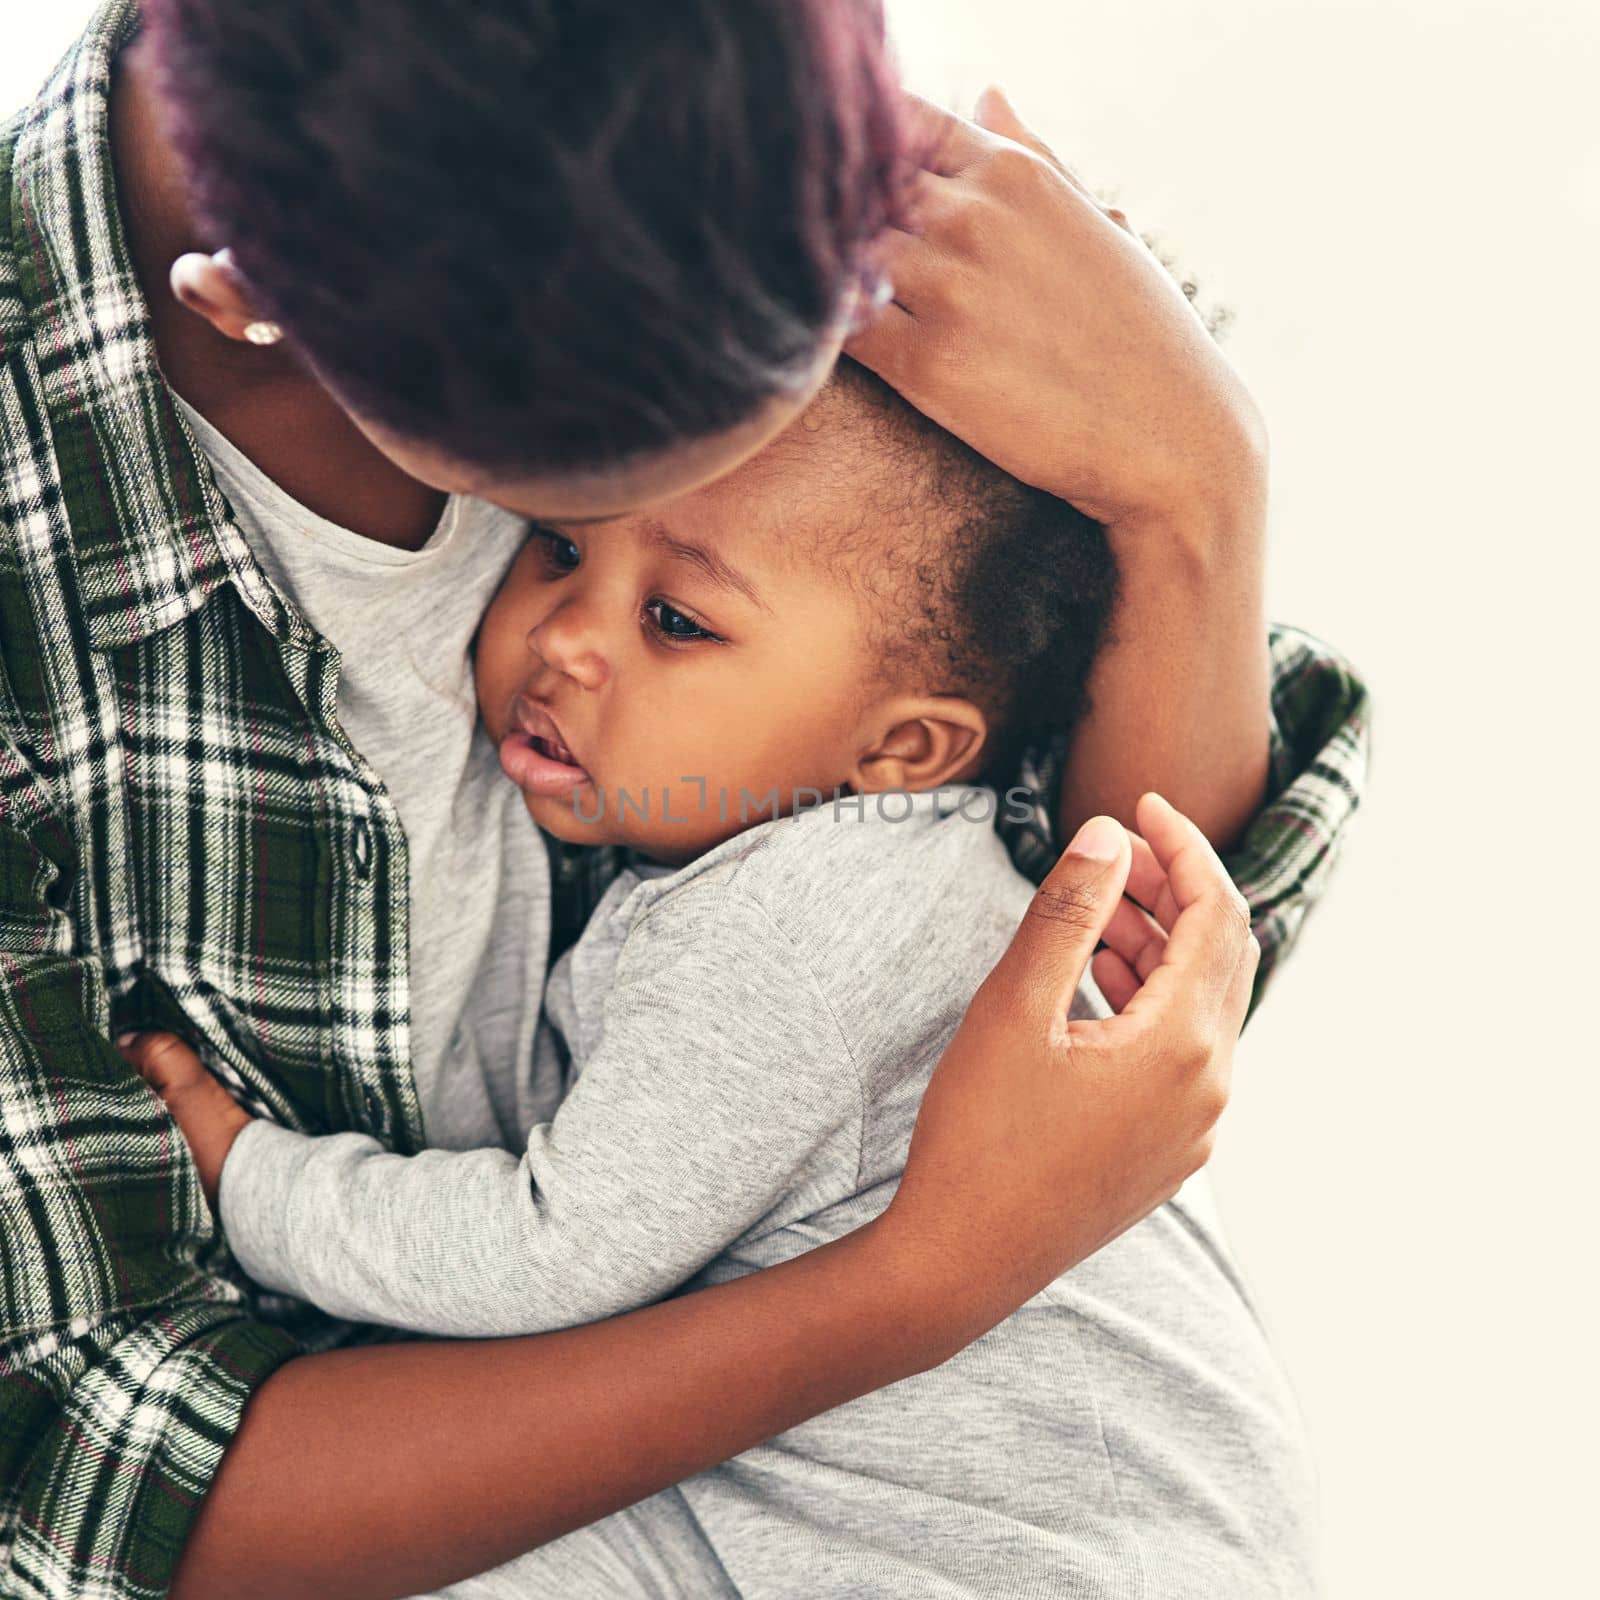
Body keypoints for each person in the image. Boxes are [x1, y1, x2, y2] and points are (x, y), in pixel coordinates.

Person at [0, 2, 1367, 1597]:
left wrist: (1187, 480)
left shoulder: (744, 169)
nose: (569, 632)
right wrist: (916, 1282)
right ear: (263, 294)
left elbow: (1117, 938)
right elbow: (94, 1488)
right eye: (570, 525)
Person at [134, 360, 1319, 1597]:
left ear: (901, 748)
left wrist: (249, 1175)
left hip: (1027, 1552)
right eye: (554, 547)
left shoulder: (794, 931)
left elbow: (544, 1251)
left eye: (678, 621)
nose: (565, 638)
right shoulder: (824, 857)